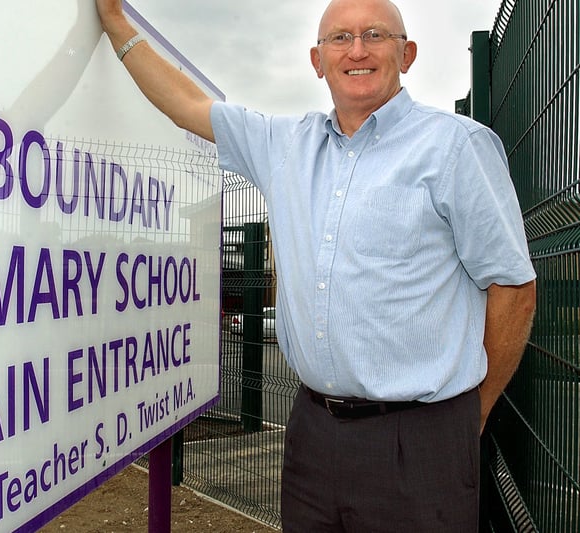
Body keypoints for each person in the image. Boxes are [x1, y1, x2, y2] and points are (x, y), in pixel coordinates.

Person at [95, 0, 537, 531]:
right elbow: (187, 104)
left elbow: (513, 286)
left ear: (407, 53)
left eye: (375, 34)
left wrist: (472, 413)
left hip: (421, 443)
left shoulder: (456, 147)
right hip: (311, 436)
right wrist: (117, 24)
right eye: (339, 38)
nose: (357, 50)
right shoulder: (284, 145)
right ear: (317, 59)